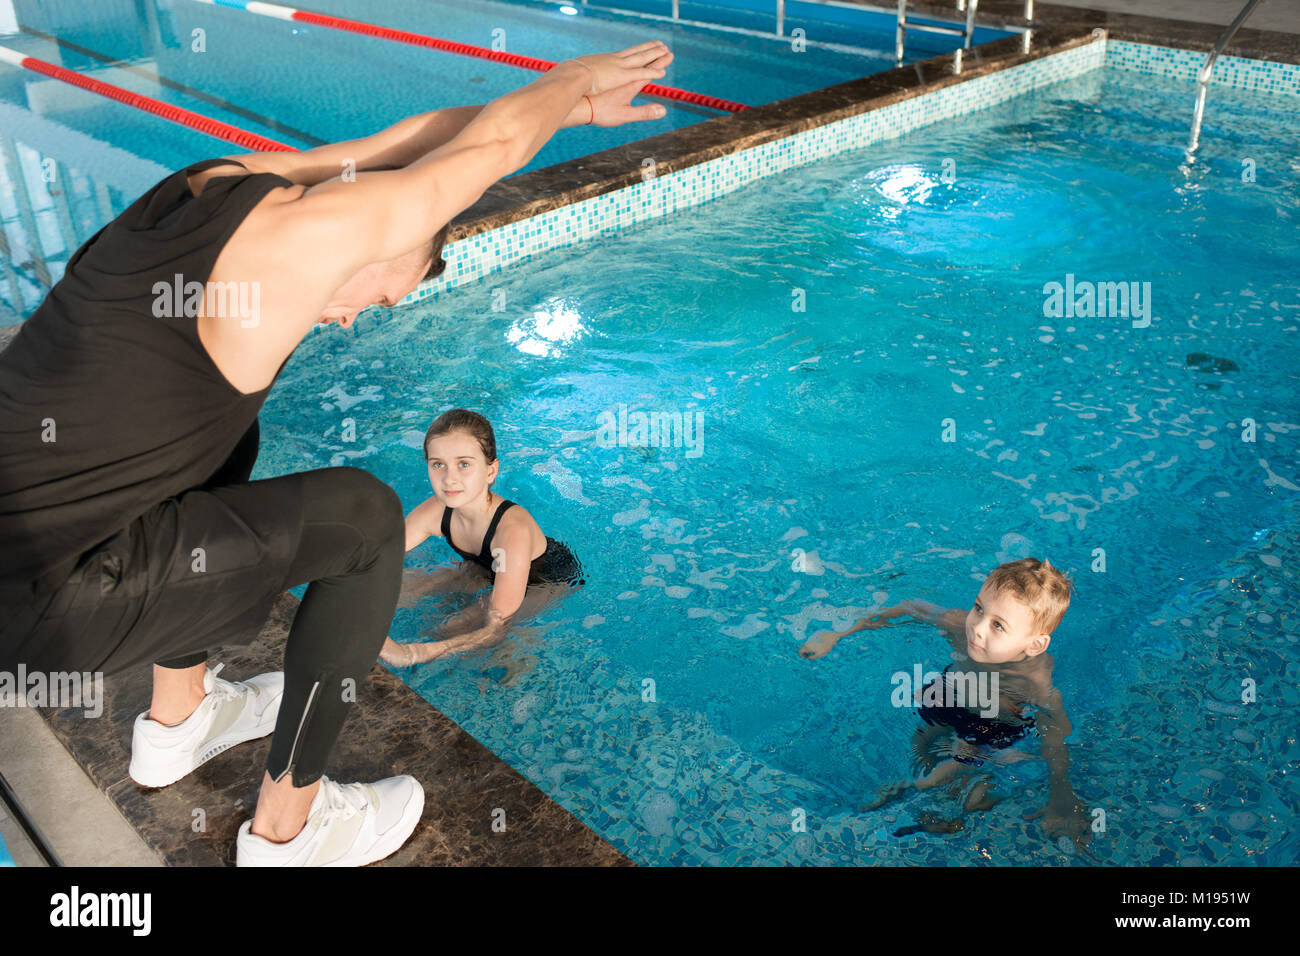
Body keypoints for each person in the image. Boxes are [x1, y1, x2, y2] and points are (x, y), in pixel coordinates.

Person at [0, 41, 673, 866]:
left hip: (27, 537)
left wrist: (562, 110)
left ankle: (180, 720)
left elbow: (391, 149)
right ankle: (289, 828)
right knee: (367, 520)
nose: (356, 315)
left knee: (229, 431)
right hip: (41, 603)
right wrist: (572, 78)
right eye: (385, 292)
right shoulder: (301, 246)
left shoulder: (213, 188)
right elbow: (484, 153)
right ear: (381, 235)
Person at [800, 558, 1090, 848]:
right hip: (949, 694)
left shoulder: (1034, 681)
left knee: (941, 774)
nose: (977, 627)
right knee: (921, 745)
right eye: (979, 608)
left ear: (1034, 644)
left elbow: (1056, 732)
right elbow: (912, 608)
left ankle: (932, 790)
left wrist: (1061, 791)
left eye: (998, 625)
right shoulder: (960, 626)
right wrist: (837, 635)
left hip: (993, 724)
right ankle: (958, 790)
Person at [381, 409, 583, 667]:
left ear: (490, 471)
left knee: (450, 628)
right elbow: (381, 556)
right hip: (489, 567)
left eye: (463, 464)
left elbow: (494, 628)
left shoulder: (512, 531)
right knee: (403, 589)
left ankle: (522, 651)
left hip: (545, 579)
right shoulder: (436, 511)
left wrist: (413, 654)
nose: (449, 478)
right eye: (437, 464)